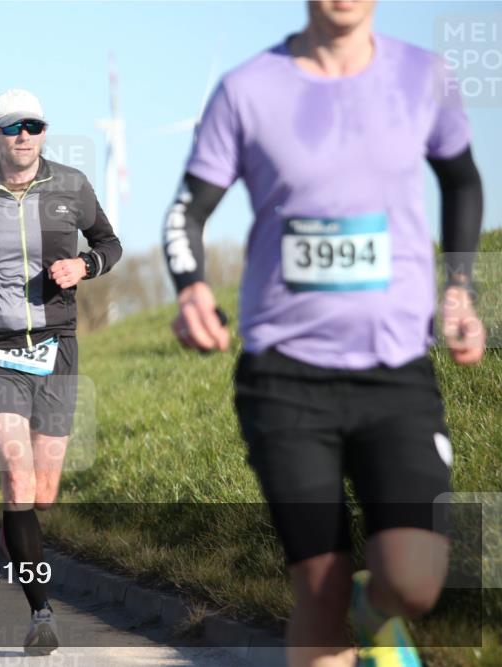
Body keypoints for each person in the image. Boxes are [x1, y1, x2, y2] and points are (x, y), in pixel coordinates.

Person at [162, 3, 485, 666]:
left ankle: (376, 610)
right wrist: (191, 284)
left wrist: (459, 288)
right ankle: (343, 610)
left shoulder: (424, 75)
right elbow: (186, 211)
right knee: (320, 585)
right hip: (284, 376)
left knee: (415, 581)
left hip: (395, 370)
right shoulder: (248, 89)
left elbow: (462, 178)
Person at [0, 88, 122, 655]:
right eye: (12, 127)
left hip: (56, 348)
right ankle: (41, 612)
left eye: (34, 126)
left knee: (42, 493)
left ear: (44, 133)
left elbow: (110, 243)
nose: (24, 136)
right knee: (16, 479)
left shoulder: (73, 185)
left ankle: (22, 546)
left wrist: (84, 265)